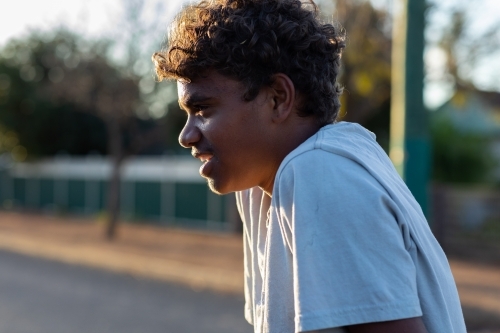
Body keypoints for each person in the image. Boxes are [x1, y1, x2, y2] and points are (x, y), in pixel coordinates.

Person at [152, 0, 467, 332]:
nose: (186, 136)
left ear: (278, 98)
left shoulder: (323, 173)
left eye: (203, 109)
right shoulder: (263, 188)